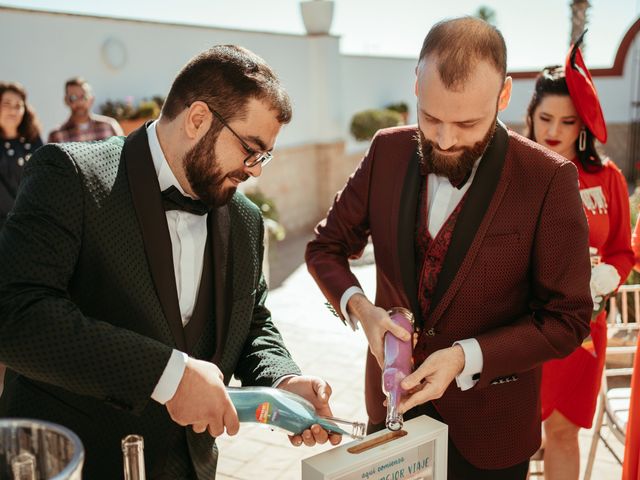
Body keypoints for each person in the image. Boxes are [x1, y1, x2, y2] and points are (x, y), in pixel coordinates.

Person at [0, 45, 340, 479]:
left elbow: (250, 319)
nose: (256, 171)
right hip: (80, 462)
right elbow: (16, 314)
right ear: (197, 119)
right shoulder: (70, 175)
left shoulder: (245, 219)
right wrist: (168, 375)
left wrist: (281, 380)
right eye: (250, 149)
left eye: (264, 156)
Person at [306, 17, 592, 480]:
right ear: (416, 84)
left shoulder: (547, 178)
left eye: (466, 123)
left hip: (491, 432)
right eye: (431, 118)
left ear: (504, 96)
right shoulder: (387, 150)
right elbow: (325, 247)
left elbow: (568, 319)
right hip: (392, 417)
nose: (444, 139)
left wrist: (465, 357)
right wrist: (362, 309)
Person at [526, 34, 634, 480]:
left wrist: (608, 274)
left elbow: (623, 249)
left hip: (583, 329)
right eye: (545, 118)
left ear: (583, 124)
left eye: (568, 122)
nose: (554, 131)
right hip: (522, 325)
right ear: (529, 116)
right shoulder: (514, 173)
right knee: (519, 434)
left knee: (565, 432)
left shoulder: (607, 178)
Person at [0, 82, 43, 229]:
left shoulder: (33, 140)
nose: (13, 110)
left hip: (32, 225)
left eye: (18, 105)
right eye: (7, 104)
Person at [48, 77, 123, 142]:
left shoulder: (109, 125)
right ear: (66, 100)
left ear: (92, 99)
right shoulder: (56, 135)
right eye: (73, 98)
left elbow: (124, 155)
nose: (79, 102)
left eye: (84, 97)